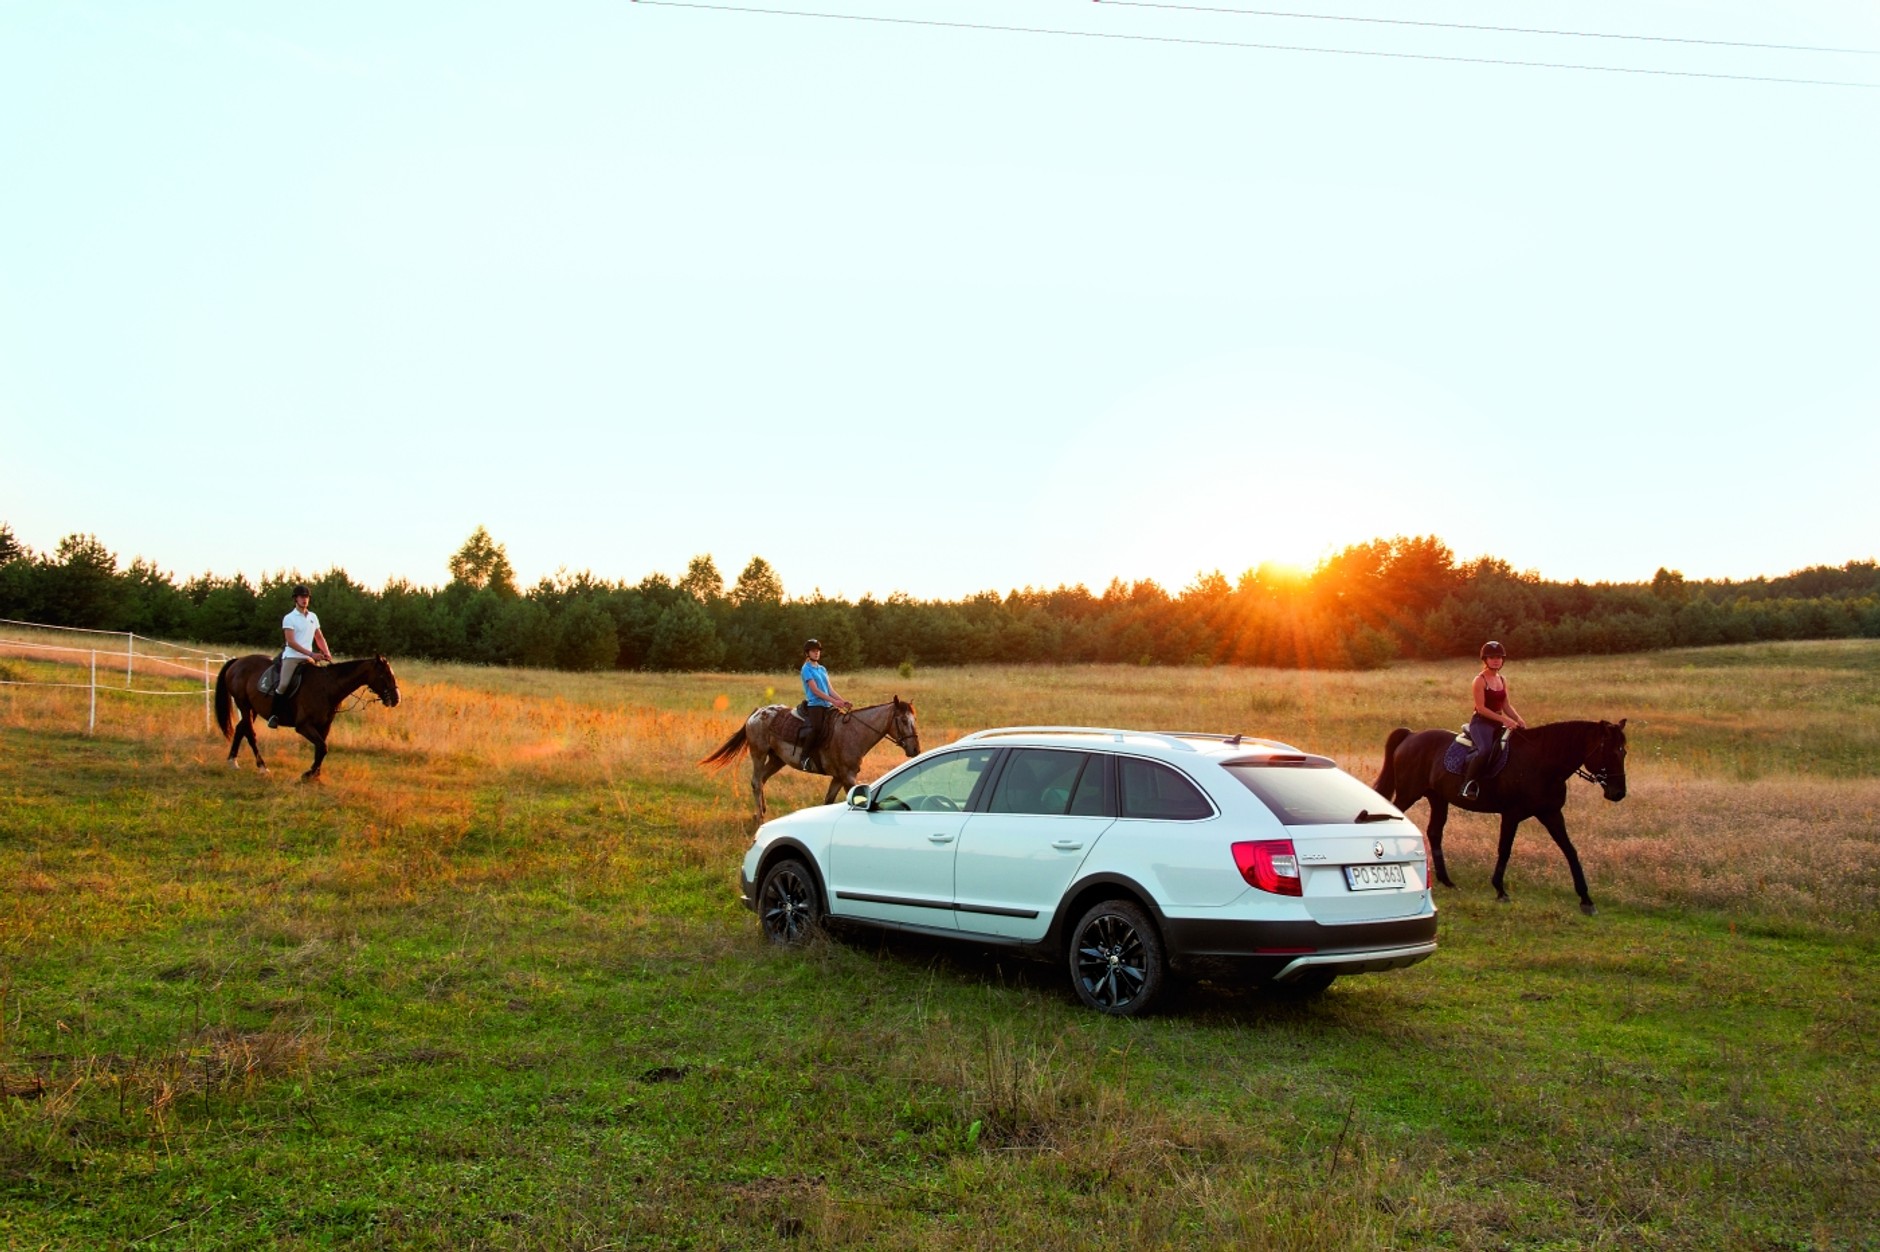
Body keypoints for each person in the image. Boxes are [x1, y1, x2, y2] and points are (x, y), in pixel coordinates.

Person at [1461, 640, 1526, 798]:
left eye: (1499, 657)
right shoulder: (1479, 680)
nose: (1496, 660)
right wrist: (1504, 720)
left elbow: (1506, 706)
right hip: (1481, 723)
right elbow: (1481, 708)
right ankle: (1469, 784)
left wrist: (1519, 720)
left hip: (1497, 723)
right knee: (1485, 750)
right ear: (1485, 660)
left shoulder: (1502, 680)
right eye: (1492, 657)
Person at [270, 583, 332, 728]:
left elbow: (319, 637)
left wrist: (326, 652)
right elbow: (290, 642)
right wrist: (311, 653)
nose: (304, 600)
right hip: (292, 657)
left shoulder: (313, 617)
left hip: (308, 659)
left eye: (306, 597)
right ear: (295, 599)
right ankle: (274, 715)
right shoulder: (289, 618)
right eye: (301, 597)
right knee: (284, 684)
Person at [796, 638, 851, 771]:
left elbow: (830, 689)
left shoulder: (822, 669)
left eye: (818, 651)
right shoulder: (806, 669)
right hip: (815, 705)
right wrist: (834, 702)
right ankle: (804, 757)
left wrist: (842, 701)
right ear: (807, 653)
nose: (816, 653)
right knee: (817, 728)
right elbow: (815, 690)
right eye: (813, 651)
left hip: (827, 705)